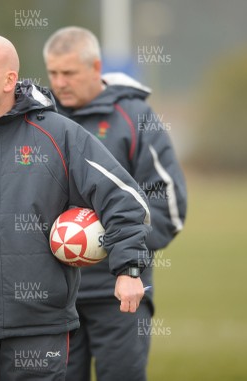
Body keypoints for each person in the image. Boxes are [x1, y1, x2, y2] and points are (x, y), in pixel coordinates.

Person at [0, 34, 153, 381]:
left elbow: (124, 197)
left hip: (38, 326)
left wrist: (128, 267)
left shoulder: (59, 136)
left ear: (9, 80)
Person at [43, 27, 188, 381]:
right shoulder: (39, 120)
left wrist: (110, 244)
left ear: (96, 68)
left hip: (121, 293)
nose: (59, 83)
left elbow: (168, 204)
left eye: (69, 73)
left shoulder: (134, 116)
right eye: (53, 73)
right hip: (54, 296)